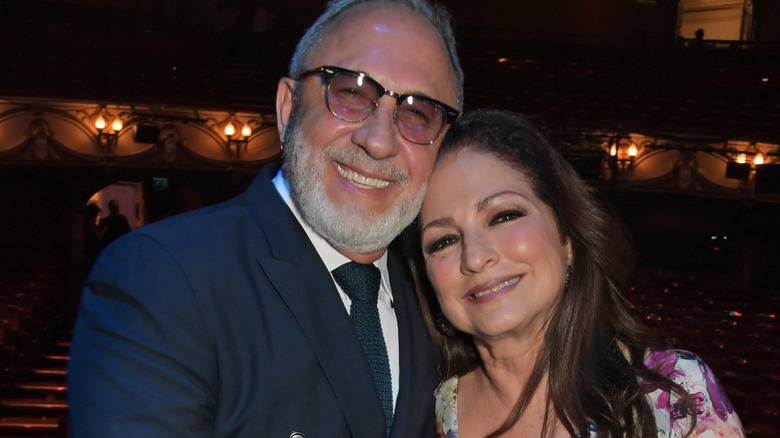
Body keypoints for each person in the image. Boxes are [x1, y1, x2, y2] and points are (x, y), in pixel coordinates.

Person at [67, 0, 463, 436]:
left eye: (417, 113)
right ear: (288, 108)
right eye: (351, 93)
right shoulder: (164, 278)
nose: (379, 141)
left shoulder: (443, 296)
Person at [407, 110, 745, 438]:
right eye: (443, 241)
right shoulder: (420, 411)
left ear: (567, 238)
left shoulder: (675, 393)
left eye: (504, 216)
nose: (475, 257)